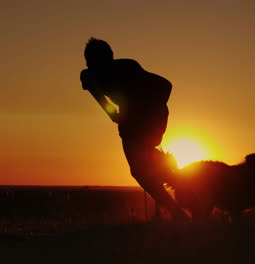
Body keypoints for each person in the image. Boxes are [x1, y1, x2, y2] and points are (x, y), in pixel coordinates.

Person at [80, 37, 188, 222]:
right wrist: (112, 113)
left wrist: (148, 109)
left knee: (141, 169)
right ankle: (177, 197)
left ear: (111, 57)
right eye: (92, 62)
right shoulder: (89, 75)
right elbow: (99, 97)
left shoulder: (128, 68)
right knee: (141, 169)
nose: (96, 65)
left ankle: (178, 201)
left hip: (150, 118)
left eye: (103, 60)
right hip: (132, 122)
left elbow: (166, 86)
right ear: (89, 62)